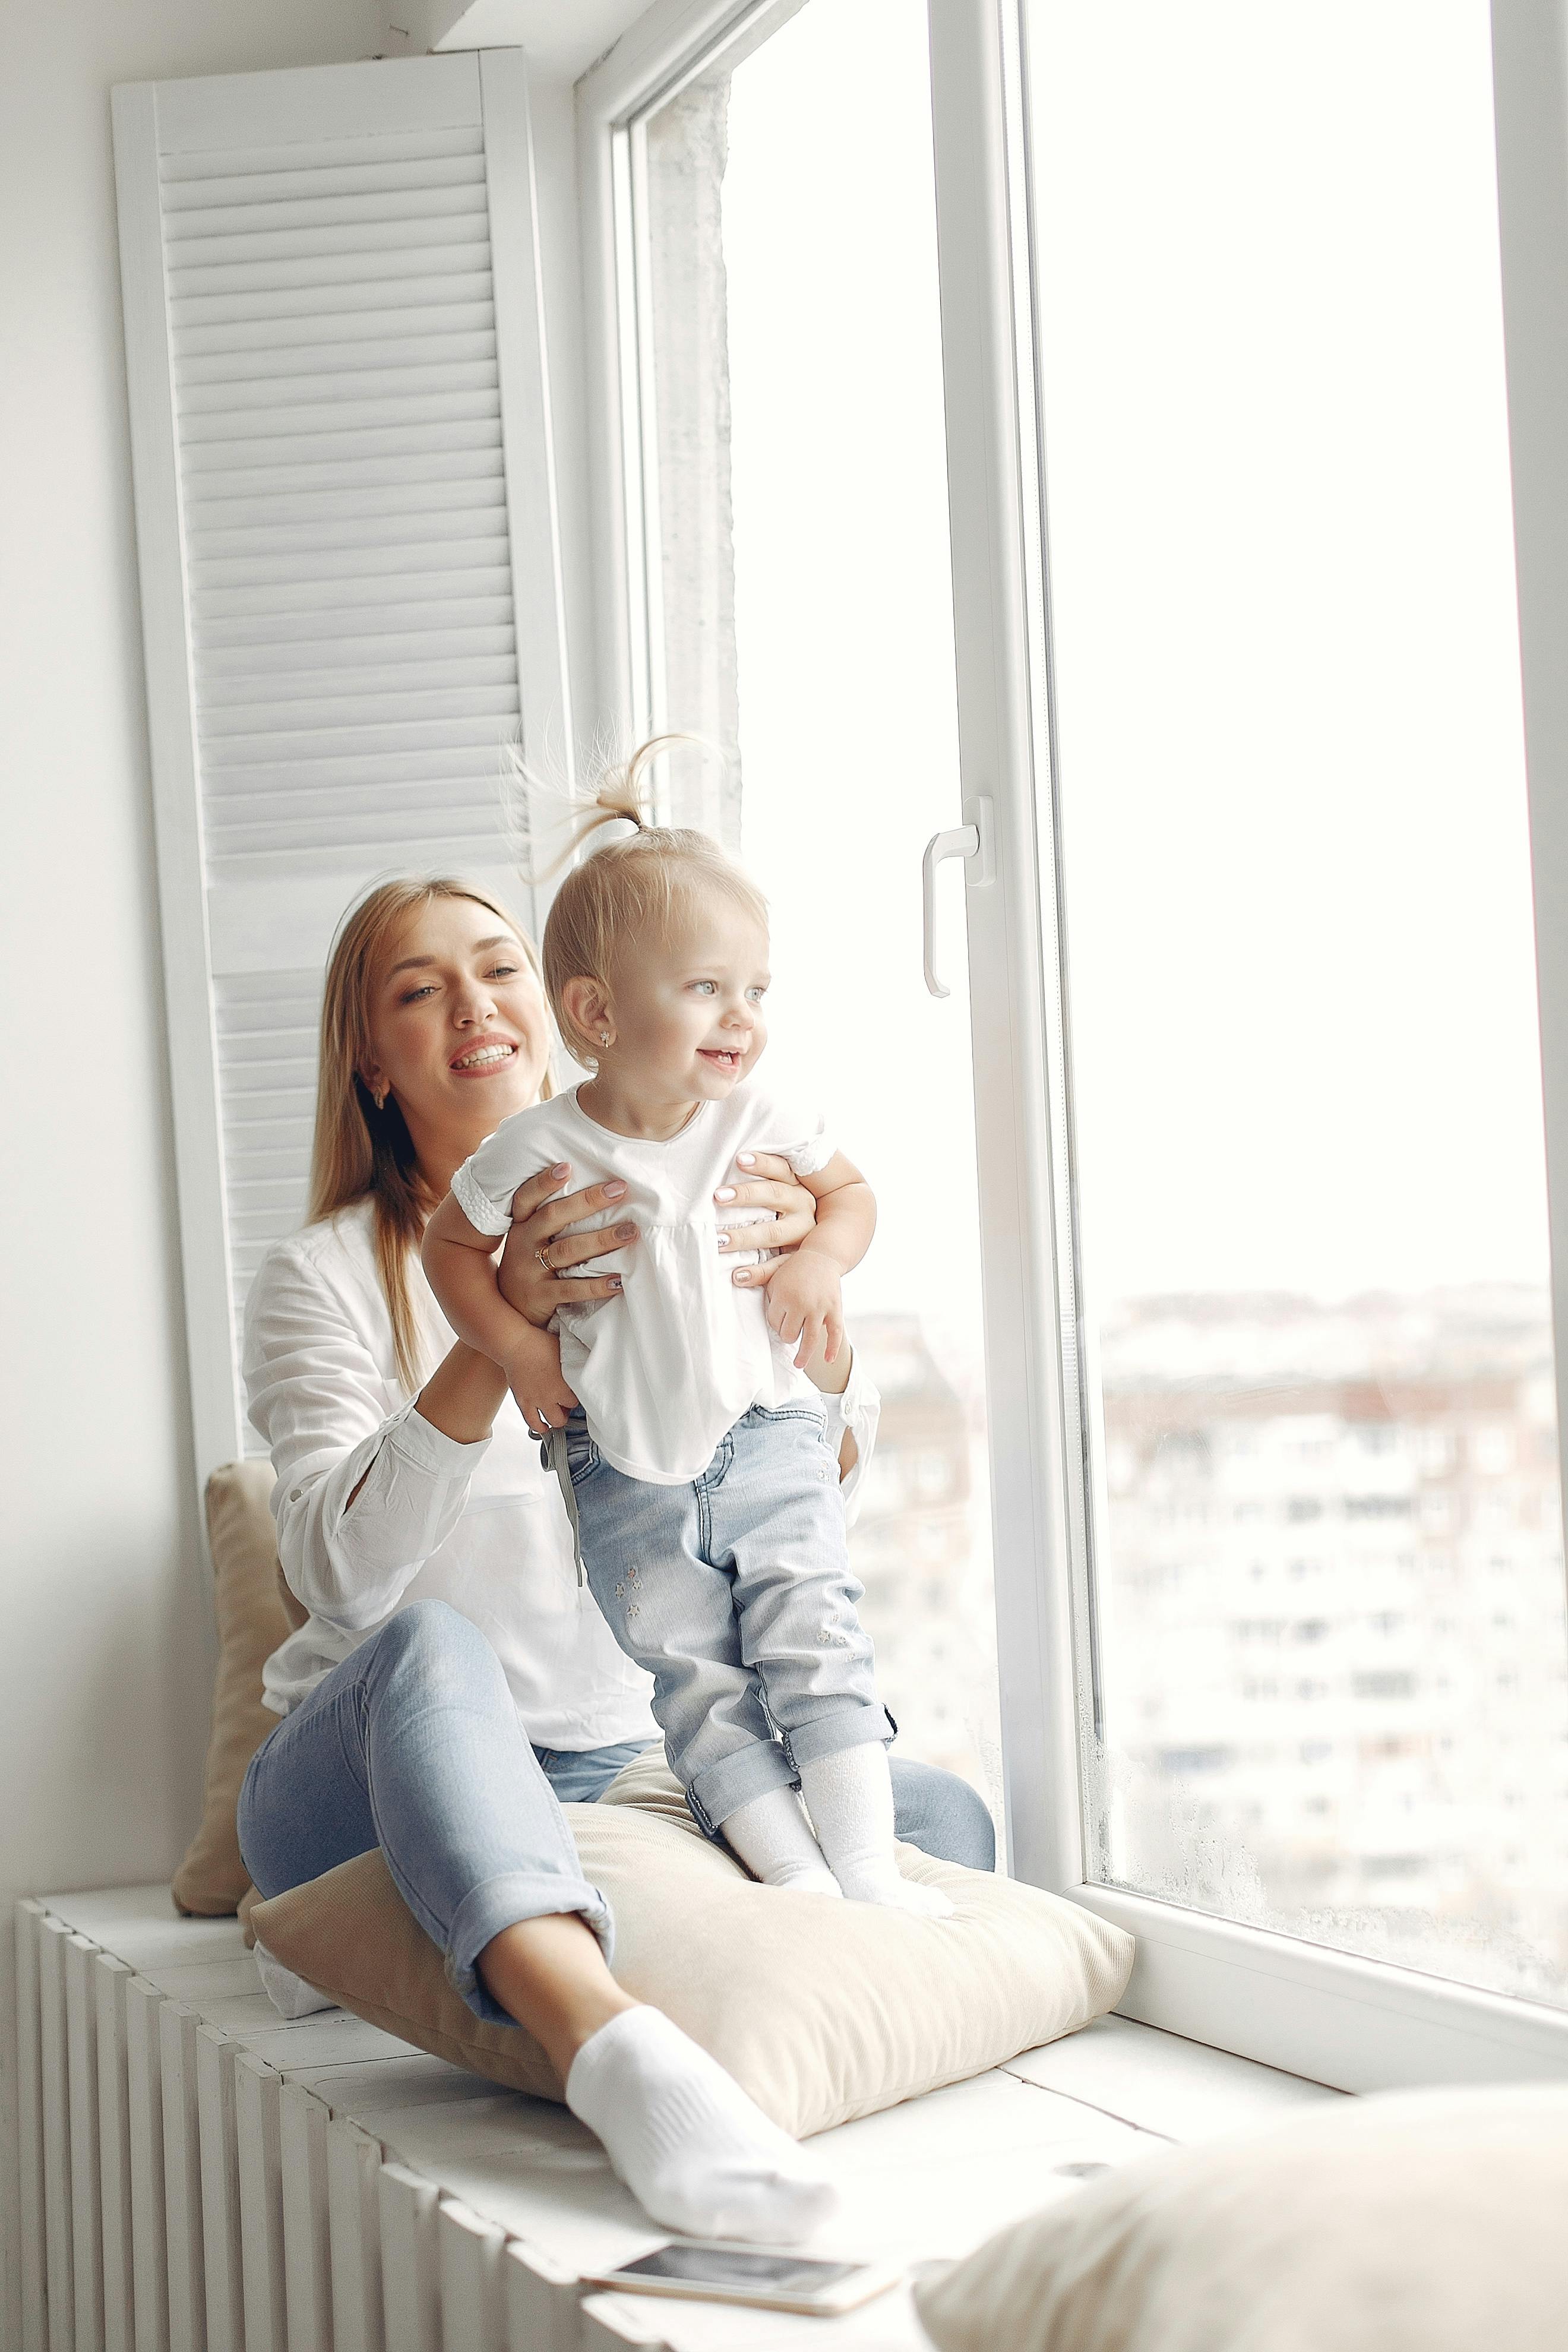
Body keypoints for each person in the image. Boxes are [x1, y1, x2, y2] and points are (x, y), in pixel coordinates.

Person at [238, 872, 994, 2246]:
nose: (474, 1004)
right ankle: (616, 2058)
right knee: (429, 1645)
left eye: (497, 967)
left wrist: (798, 1299)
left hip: (614, 1765)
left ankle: (527, 1936)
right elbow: (336, 1578)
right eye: (419, 989)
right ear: (371, 1060)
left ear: (568, 1009)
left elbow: (804, 1494)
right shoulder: (332, 1273)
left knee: (936, 1823)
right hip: (356, 1762)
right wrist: (497, 1338)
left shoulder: (704, 1169)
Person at [423, 750, 951, 1918]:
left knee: (817, 1639)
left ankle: (865, 1873)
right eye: (710, 989)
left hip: (767, 1437)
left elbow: (855, 1196)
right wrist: (516, 1347)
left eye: (758, 991)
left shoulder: (766, 1116)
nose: (744, 1019)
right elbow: (449, 1251)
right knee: (700, 1687)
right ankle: (801, 1882)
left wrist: (818, 1257)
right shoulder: (538, 1149)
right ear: (597, 1014)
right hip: (621, 1473)